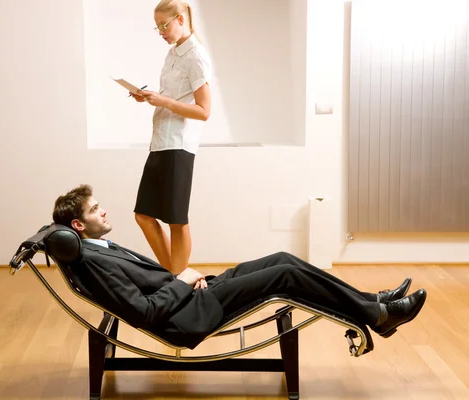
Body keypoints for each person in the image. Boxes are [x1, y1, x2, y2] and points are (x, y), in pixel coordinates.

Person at [52, 184, 428, 350]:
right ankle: (378, 316)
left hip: (194, 295)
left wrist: (187, 281)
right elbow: (144, 312)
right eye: (94, 209)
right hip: (187, 316)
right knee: (285, 277)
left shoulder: (97, 248)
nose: (103, 209)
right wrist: (182, 280)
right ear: (78, 226)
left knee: (282, 259)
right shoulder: (94, 261)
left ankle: (371, 300)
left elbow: (150, 289)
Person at [129, 0, 213, 274]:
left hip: (178, 145)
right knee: (143, 215)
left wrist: (162, 101)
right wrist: (149, 97)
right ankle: (175, 278)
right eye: (157, 28)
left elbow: (203, 111)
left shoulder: (196, 56)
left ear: (180, 19)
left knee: (177, 220)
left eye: (164, 25)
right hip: (160, 143)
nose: (161, 31)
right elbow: (172, 98)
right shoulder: (173, 54)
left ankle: (177, 284)